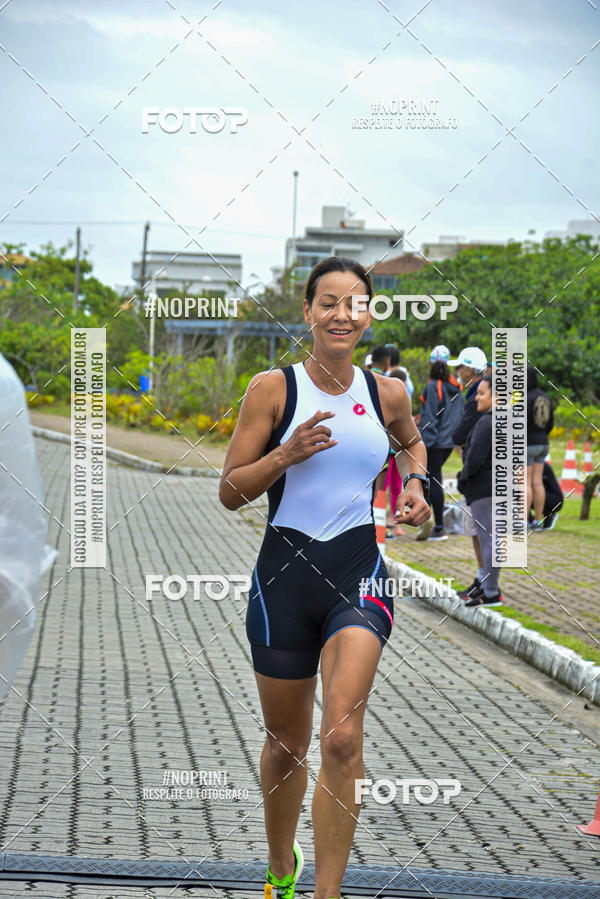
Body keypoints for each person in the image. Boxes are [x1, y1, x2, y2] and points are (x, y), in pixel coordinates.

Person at [219, 256, 430, 899]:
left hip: (358, 573)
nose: (343, 314)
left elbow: (412, 443)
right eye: (329, 302)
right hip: (283, 577)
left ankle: (327, 893)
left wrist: (416, 482)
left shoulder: (387, 391)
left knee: (341, 735)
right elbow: (230, 490)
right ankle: (281, 867)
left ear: (369, 314)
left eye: (356, 303)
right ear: (308, 313)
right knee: (287, 744)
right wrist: (285, 453)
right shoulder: (271, 389)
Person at [456, 375, 503, 607]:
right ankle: (487, 587)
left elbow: (474, 459)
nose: (476, 397)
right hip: (494, 487)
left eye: (482, 393)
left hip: (483, 489)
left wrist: (463, 476)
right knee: (489, 539)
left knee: (488, 540)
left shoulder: (487, 422)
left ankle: (491, 591)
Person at [448, 347, 488, 599]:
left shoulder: (478, 396)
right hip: (478, 471)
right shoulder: (474, 393)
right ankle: (483, 578)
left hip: (479, 474)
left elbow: (460, 434)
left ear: (471, 369)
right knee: (476, 531)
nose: (457, 372)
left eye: (461, 367)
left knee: (479, 531)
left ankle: (486, 582)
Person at [416, 345, 463, 541]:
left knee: (431, 480)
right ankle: (430, 522)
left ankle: (437, 527)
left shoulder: (434, 386)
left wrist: (425, 439)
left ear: (430, 364)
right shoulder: (456, 387)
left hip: (434, 442)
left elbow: (432, 418)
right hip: (448, 442)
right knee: (431, 479)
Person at [526, 366, 554, 531]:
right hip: (544, 443)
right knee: (537, 482)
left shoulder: (524, 399)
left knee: (525, 483)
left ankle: (523, 522)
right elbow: (551, 424)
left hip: (528, 445)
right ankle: (538, 520)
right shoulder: (546, 397)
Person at [528, 461, 563, 529]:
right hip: (545, 496)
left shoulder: (538, 465)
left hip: (554, 499)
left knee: (521, 495)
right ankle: (531, 521)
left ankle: (547, 515)